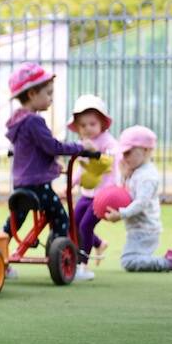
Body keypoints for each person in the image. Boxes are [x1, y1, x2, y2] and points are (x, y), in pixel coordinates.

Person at [2, 62, 97, 244]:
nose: (51, 98)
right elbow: (53, 147)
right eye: (48, 93)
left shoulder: (18, 121)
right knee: (60, 218)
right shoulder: (34, 121)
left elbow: (32, 151)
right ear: (31, 94)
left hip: (21, 183)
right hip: (38, 185)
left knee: (14, 223)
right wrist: (81, 147)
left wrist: (51, 164)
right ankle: (64, 259)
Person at [102, 125, 172, 273]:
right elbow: (124, 193)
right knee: (133, 259)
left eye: (128, 152)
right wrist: (124, 175)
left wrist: (121, 214)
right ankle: (171, 260)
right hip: (136, 229)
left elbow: (141, 203)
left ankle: (171, 262)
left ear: (146, 150)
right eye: (123, 153)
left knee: (129, 262)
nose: (124, 157)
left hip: (145, 230)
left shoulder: (147, 177)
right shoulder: (135, 171)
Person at [67, 94, 119, 281]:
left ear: (102, 124)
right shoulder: (83, 144)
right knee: (73, 222)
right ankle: (99, 243)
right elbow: (81, 169)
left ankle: (83, 265)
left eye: (92, 124)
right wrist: (70, 184)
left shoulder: (108, 142)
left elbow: (109, 161)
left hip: (104, 196)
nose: (87, 128)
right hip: (88, 193)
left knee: (86, 225)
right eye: (83, 125)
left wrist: (95, 153)